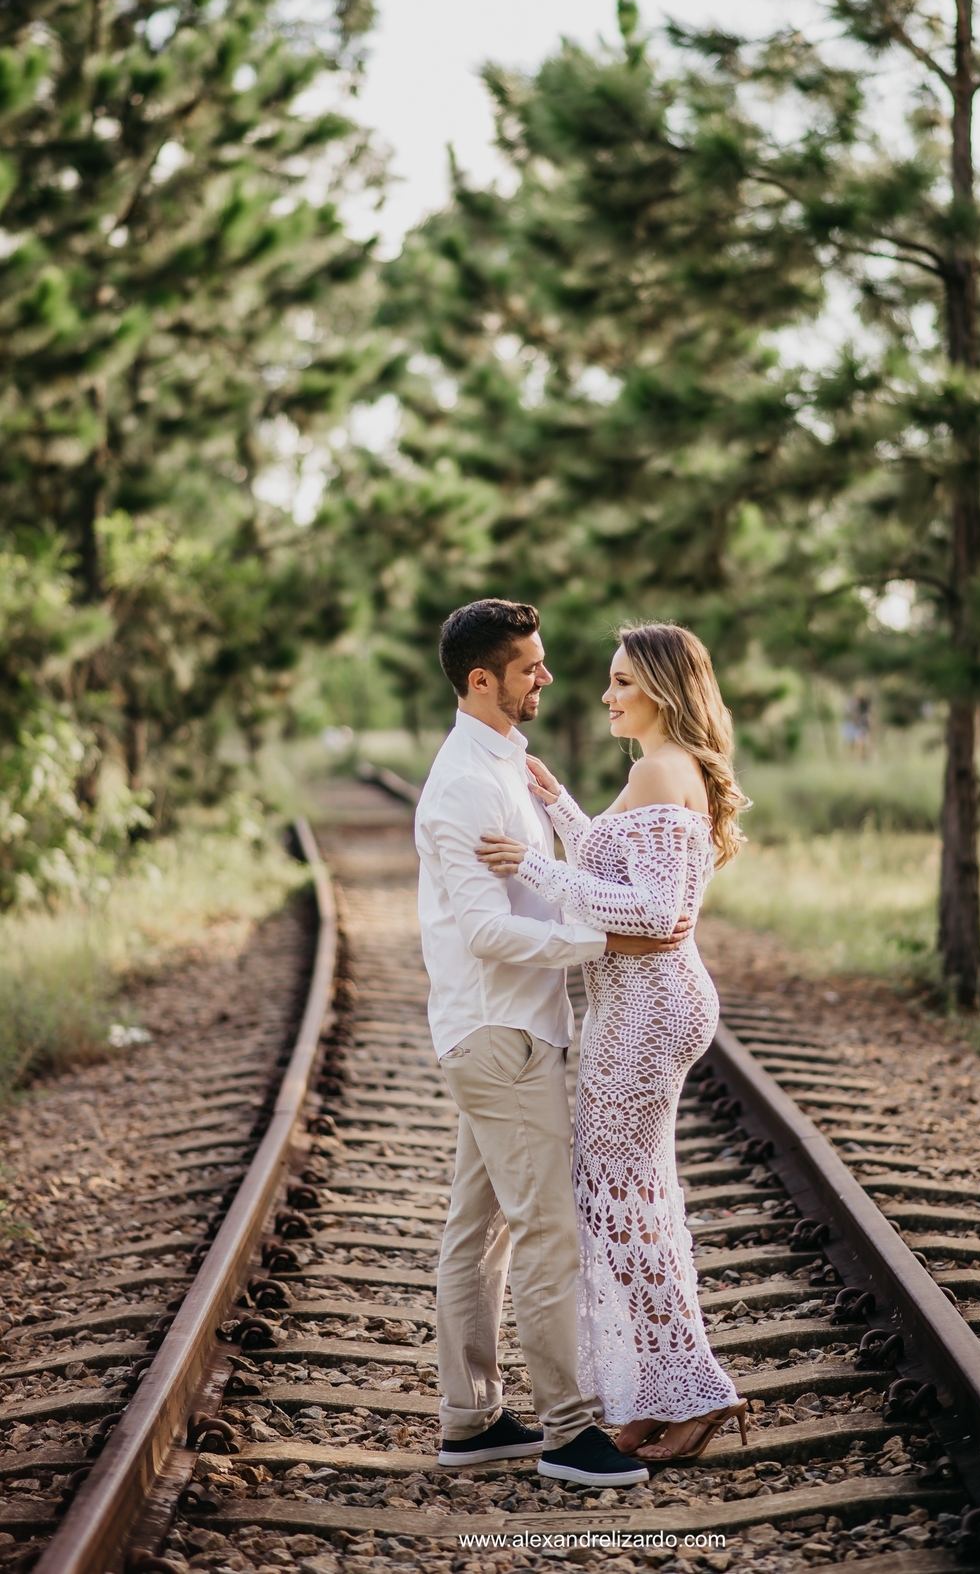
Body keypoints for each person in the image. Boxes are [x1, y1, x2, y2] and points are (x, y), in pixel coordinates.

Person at [416, 598, 686, 1488]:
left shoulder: (508, 764)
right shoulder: (466, 783)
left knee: (478, 1230)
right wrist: (606, 942)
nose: (549, 676)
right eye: (530, 666)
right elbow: (488, 931)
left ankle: (471, 1421)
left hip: (511, 1029)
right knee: (546, 1231)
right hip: (503, 1036)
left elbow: (559, 879)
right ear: (480, 680)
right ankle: (569, 1434)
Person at [475, 621, 751, 1463]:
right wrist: (560, 805)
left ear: (664, 689)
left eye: (623, 681)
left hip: (647, 1011)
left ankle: (696, 1391)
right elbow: (620, 867)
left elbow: (660, 914)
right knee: (630, 1199)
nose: (606, 695)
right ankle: (662, 1393)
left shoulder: (663, 771)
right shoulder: (662, 768)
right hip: (638, 1006)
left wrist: (534, 864)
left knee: (618, 1203)